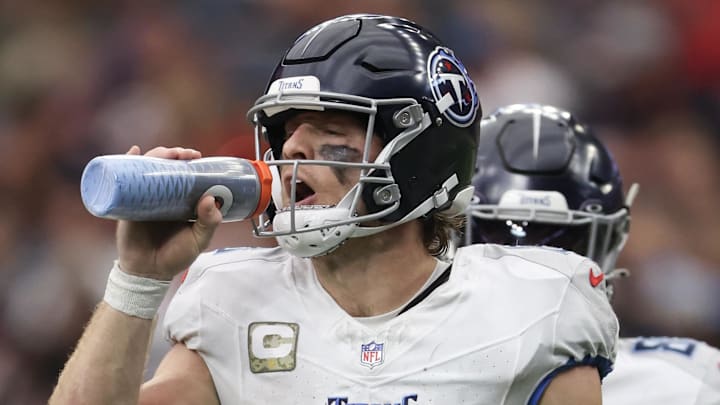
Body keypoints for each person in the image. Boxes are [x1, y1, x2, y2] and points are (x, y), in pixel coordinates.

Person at [50, 15, 617, 404]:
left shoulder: (533, 304)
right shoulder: (229, 298)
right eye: (288, 133)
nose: (293, 151)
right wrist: (138, 281)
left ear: (419, 154)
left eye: (330, 132)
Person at [465, 102, 720, 404]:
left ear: (611, 244)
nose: (531, 268)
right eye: (500, 239)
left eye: (559, 245)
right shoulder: (403, 365)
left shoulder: (684, 380)